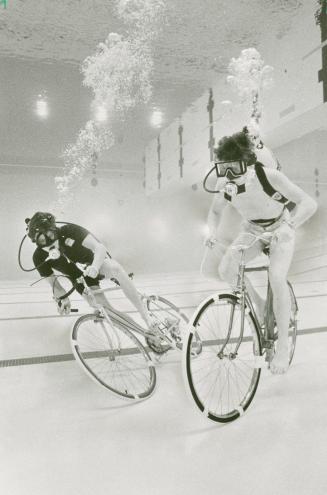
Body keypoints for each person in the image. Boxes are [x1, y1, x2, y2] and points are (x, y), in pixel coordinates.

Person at [201, 131, 317, 374]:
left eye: (235, 168)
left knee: (276, 277)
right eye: (225, 169)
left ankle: (283, 346)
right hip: (252, 230)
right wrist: (211, 232)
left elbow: (309, 203)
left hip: (280, 226)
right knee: (226, 270)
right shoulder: (226, 184)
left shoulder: (269, 176)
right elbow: (214, 213)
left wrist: (289, 227)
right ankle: (260, 303)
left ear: (248, 163)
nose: (230, 175)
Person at [26, 212, 157, 335]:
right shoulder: (39, 257)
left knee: (115, 268)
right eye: (42, 240)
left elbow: (99, 248)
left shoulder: (70, 231)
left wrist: (94, 267)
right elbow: (55, 285)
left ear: (55, 229)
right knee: (105, 310)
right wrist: (62, 299)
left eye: (50, 235)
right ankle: (147, 335)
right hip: (79, 280)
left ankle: (146, 317)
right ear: (35, 242)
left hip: (94, 263)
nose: (49, 242)